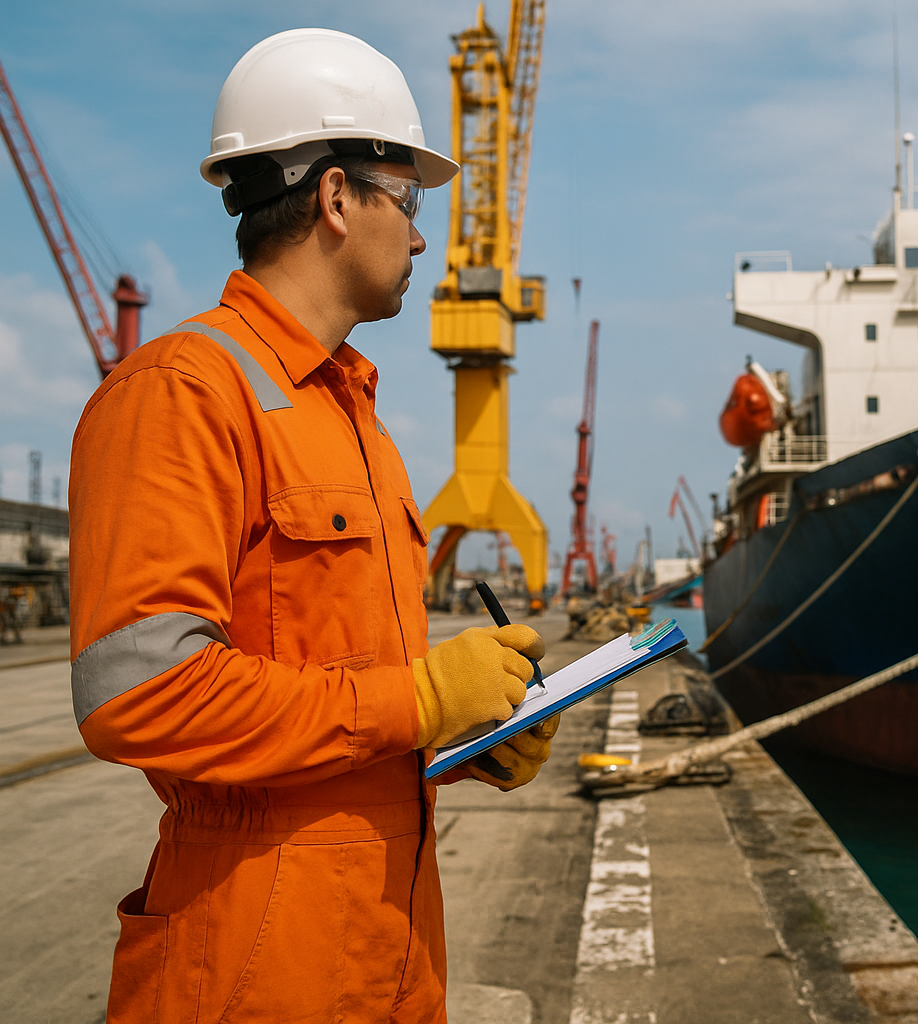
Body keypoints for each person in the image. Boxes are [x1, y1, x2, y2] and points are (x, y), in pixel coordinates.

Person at [68, 29, 556, 1023]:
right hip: (255, 970)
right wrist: (419, 698)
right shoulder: (182, 392)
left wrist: (461, 734)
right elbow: (140, 694)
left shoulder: (357, 425)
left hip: (390, 957)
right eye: (409, 202)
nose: (421, 240)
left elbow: (339, 698)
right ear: (337, 197)